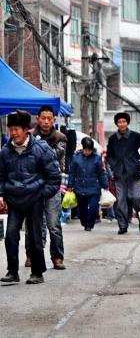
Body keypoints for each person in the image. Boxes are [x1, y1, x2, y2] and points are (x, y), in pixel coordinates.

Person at [0, 110, 61, 284]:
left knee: (35, 237)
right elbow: (1, 177)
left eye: (16, 129)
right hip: (14, 200)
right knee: (11, 235)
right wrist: (1, 194)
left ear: (27, 129)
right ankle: (12, 272)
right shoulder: (5, 151)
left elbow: (54, 177)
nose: (13, 133)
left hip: (34, 199)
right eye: (10, 129)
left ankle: (37, 272)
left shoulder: (41, 149)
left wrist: (42, 194)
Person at [25, 105, 66, 270]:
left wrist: (38, 149)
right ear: (38, 118)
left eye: (49, 118)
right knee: (33, 224)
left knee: (53, 224)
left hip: (52, 185)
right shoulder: (30, 136)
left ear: (54, 120)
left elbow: (55, 156)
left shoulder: (60, 137)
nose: (46, 121)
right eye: (43, 118)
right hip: (33, 184)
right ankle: (31, 255)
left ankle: (57, 257)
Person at [106, 112, 140, 234]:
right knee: (121, 200)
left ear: (127, 122)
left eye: (124, 121)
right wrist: (113, 167)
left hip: (133, 171)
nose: (121, 124)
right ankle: (122, 225)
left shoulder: (136, 137)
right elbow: (109, 156)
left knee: (135, 196)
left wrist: (138, 164)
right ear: (116, 124)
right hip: (119, 173)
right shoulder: (112, 139)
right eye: (119, 122)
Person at [68, 138, 109, 231]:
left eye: (89, 150)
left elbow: (101, 173)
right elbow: (72, 173)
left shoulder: (97, 159)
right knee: (81, 209)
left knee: (94, 207)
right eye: (85, 149)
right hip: (79, 187)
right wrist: (70, 185)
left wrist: (105, 185)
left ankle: (89, 224)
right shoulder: (76, 158)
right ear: (82, 148)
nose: (87, 152)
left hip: (94, 187)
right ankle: (84, 222)